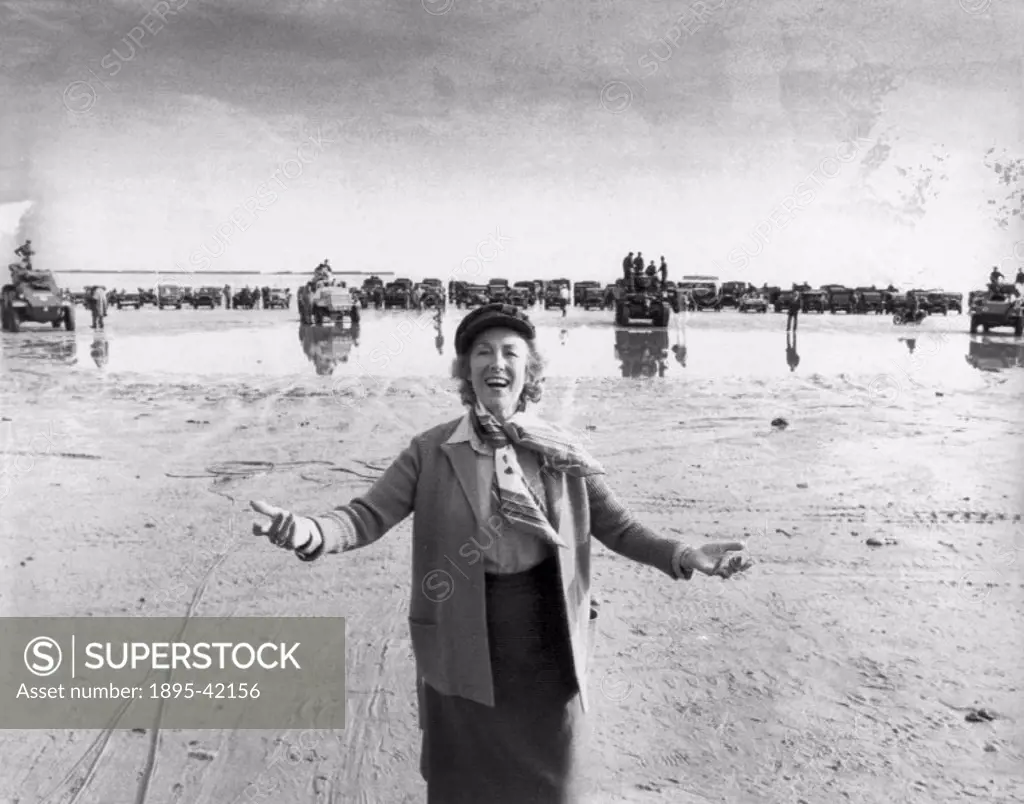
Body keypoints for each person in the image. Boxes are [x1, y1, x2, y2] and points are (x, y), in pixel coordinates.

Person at [251, 303, 752, 804]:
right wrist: (310, 531)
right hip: (462, 639)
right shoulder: (431, 451)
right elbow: (365, 515)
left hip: (547, 642)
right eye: (483, 352)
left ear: (528, 370)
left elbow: (619, 527)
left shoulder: (561, 452)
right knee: (464, 787)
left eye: (511, 352)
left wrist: (686, 554)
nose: (497, 362)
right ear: (466, 370)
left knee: (553, 786)